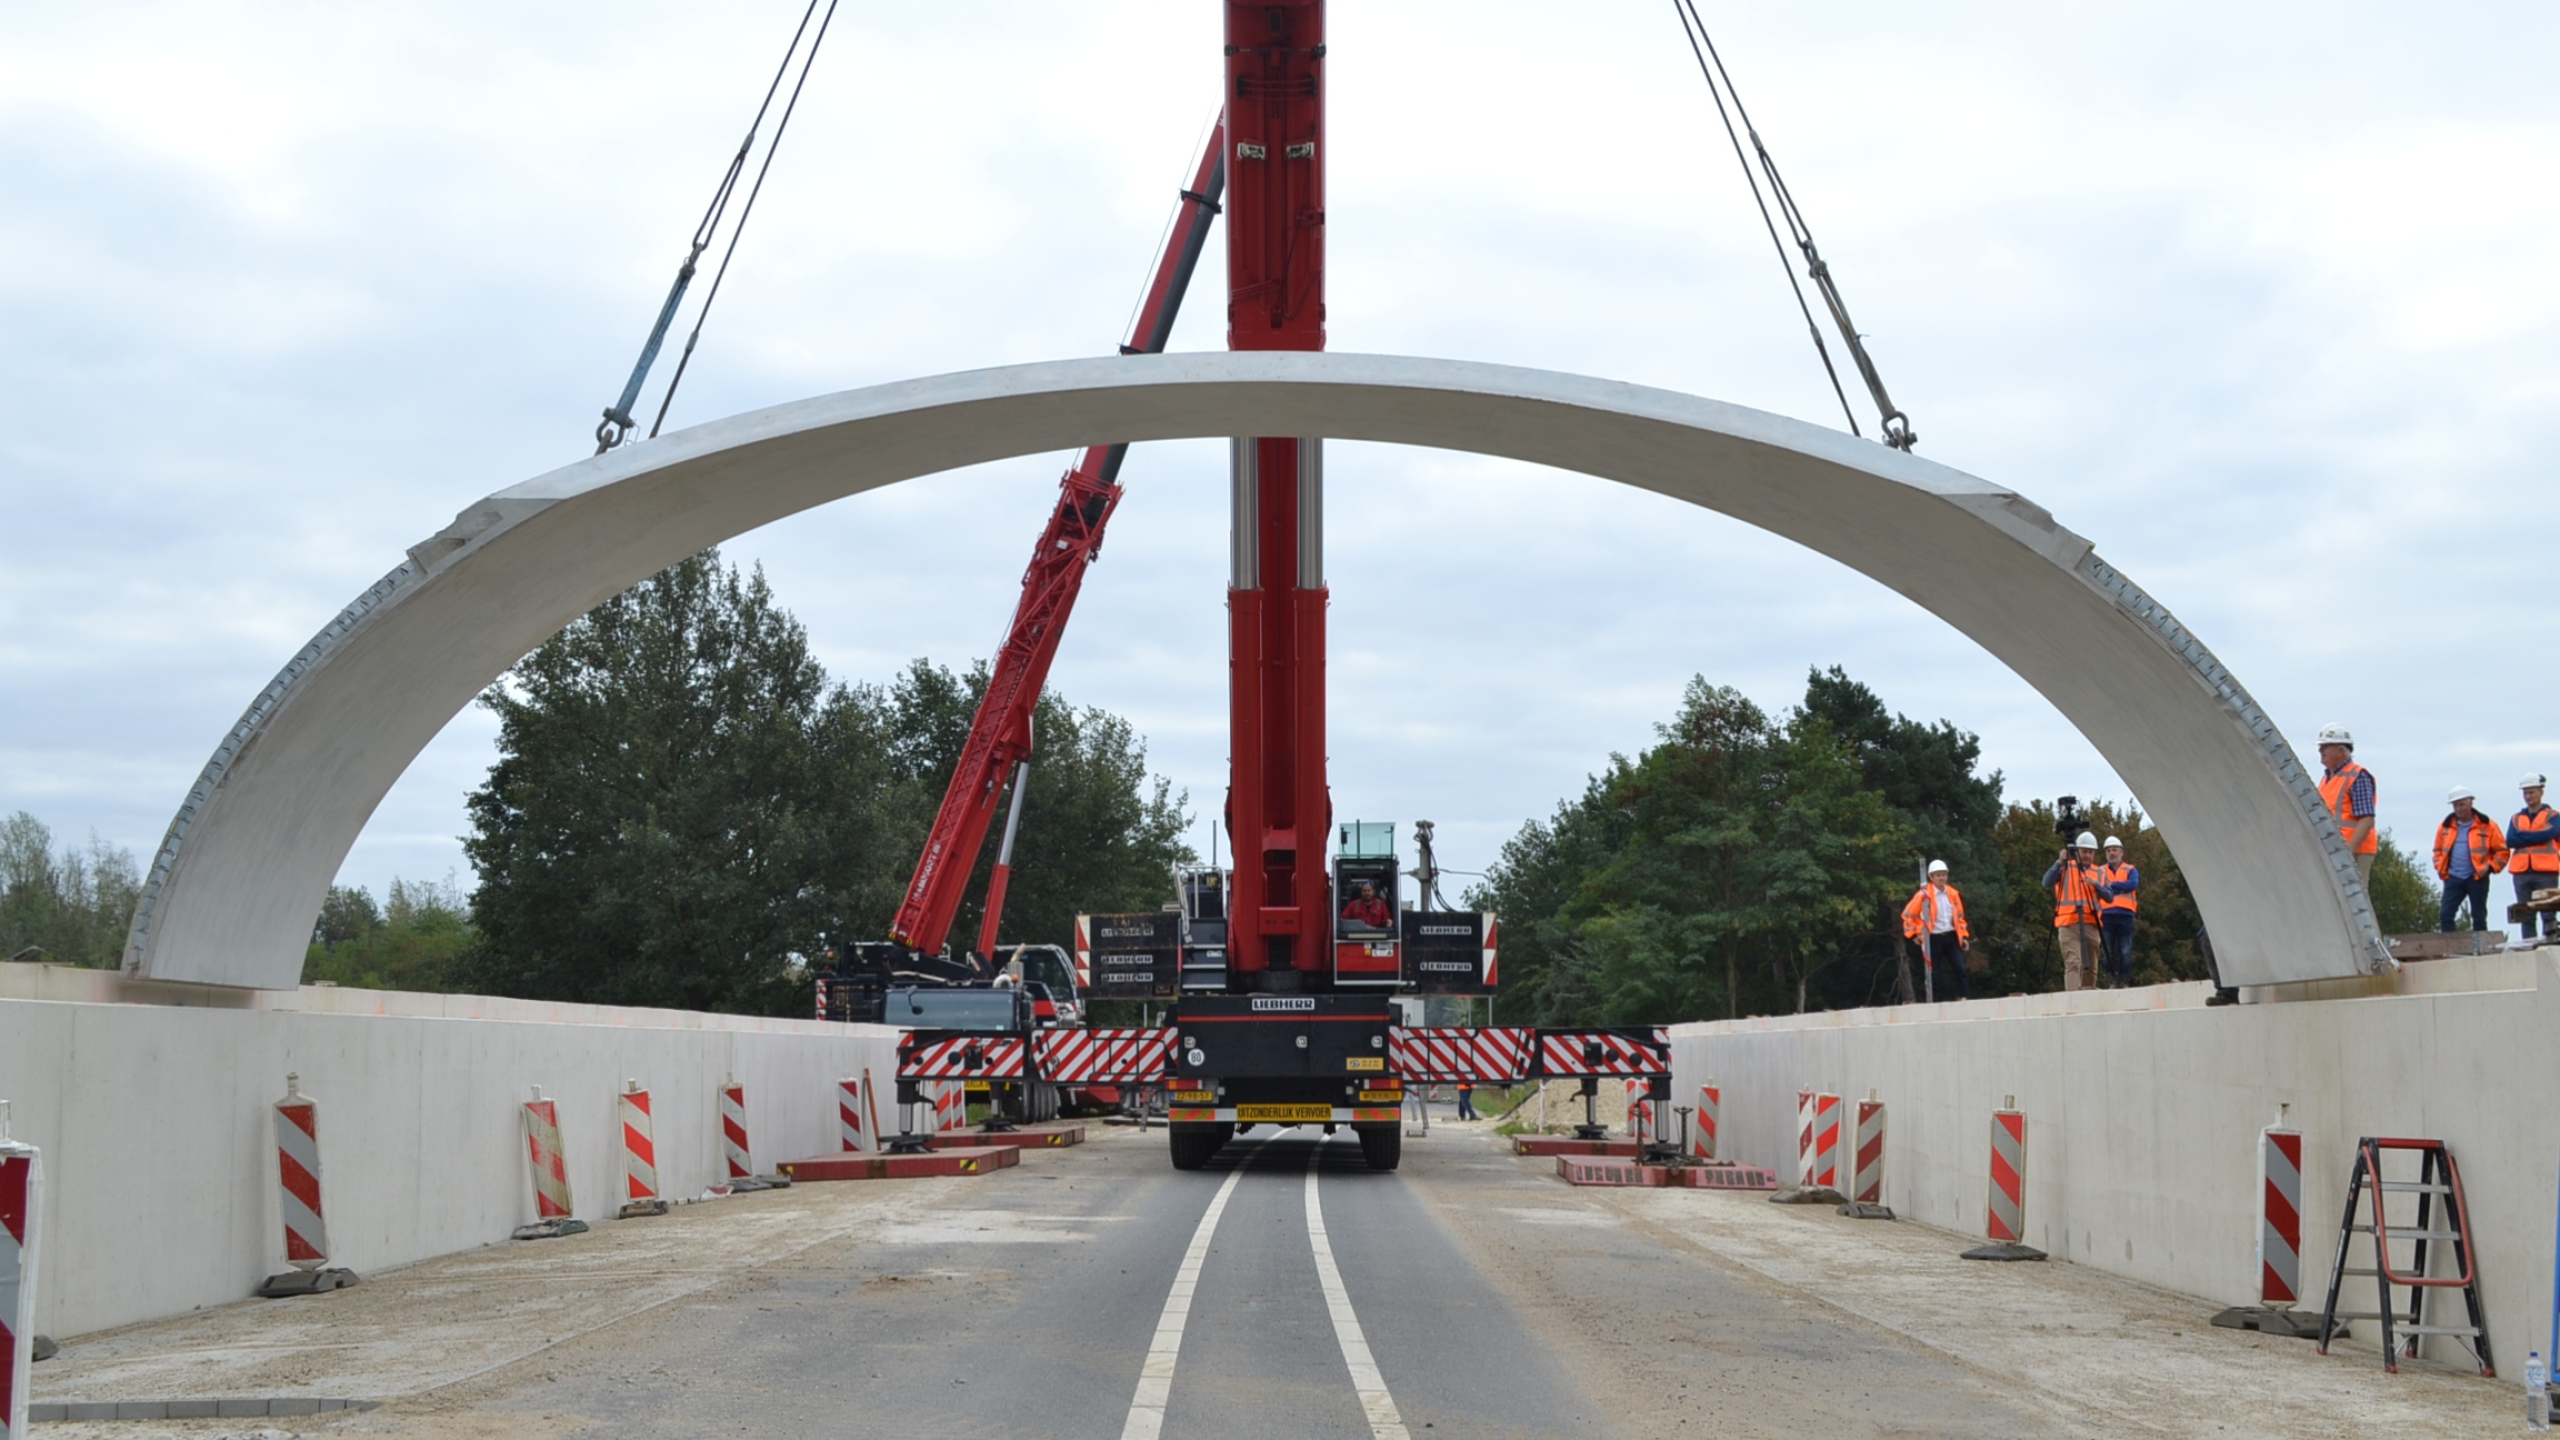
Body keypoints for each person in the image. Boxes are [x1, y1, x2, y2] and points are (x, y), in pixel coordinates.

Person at [2432, 787, 2508, 934]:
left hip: (2477, 877)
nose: (2459, 809)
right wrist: (2440, 867)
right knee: (2445, 915)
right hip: (2453, 877)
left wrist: (2490, 867)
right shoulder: (2445, 826)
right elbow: (2437, 851)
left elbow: (2502, 851)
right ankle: (2450, 948)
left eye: (2462, 804)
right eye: (2455, 805)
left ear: (2470, 803)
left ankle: (2480, 951)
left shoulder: (2488, 825)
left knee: (2479, 917)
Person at [2316, 724, 2379, 892]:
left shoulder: (2358, 776)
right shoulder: (2327, 779)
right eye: (2320, 746)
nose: (2320, 750)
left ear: (2341, 751)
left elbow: (2366, 819)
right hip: (2334, 850)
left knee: (2354, 900)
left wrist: (2348, 852)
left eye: (2325, 746)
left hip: (2355, 852)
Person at [1898, 860, 1970, 1001]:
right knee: (1933, 973)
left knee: (1960, 968)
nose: (1941, 878)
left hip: (1951, 937)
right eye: (1938, 875)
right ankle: (1935, 1002)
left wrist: (1964, 936)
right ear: (1931, 877)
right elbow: (1908, 915)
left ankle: (1964, 997)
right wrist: (1913, 935)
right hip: (1933, 938)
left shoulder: (1953, 894)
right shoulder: (1923, 895)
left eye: (1943, 875)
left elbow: (1960, 917)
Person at [2043, 832, 2106, 991]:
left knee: (2091, 965)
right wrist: (2059, 862)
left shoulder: (2099, 872)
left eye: (2090, 852)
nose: (2087, 855)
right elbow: (2047, 882)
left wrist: (2096, 885)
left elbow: (2110, 896)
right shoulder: (2065, 867)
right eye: (2084, 851)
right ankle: (2073, 1000)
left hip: (2092, 924)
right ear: (2077, 851)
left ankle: (2088, 994)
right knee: (2073, 963)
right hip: (2068, 923)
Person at [2509, 773, 2558, 942]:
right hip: (2521, 872)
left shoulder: (2553, 815)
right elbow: (2510, 840)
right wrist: (2537, 835)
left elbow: (2549, 834)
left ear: (2541, 792)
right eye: (2526, 793)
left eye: (2532, 792)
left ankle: (2551, 946)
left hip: (2546, 871)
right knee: (2525, 914)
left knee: (2548, 914)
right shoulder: (2516, 818)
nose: (2528, 796)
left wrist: (2524, 837)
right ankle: (2528, 948)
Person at [2097, 836, 2140, 987]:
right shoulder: (2100, 870)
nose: (2111, 853)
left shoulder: (2130, 869)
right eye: (2108, 851)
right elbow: (2100, 888)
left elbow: (2133, 884)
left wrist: (2113, 885)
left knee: (2125, 952)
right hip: (2106, 916)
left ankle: (2124, 981)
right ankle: (2112, 980)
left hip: (2125, 916)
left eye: (2114, 850)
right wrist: (2120, 887)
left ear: (2122, 852)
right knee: (2108, 952)